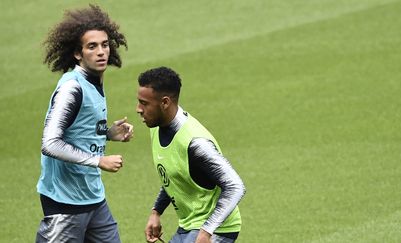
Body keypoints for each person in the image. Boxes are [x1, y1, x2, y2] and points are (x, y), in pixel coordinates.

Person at [36, 4, 132, 243]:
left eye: (105, 44)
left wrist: (108, 133)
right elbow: (50, 143)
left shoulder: (93, 83)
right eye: (92, 46)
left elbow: (79, 128)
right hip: (65, 202)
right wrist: (98, 161)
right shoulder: (72, 87)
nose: (101, 52)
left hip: (93, 197)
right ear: (78, 53)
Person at [136, 66, 246, 243]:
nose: (138, 109)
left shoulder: (196, 143)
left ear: (165, 103)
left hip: (217, 228)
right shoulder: (156, 128)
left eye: (144, 103)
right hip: (189, 225)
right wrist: (156, 212)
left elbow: (235, 186)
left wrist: (207, 231)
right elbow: (175, 175)